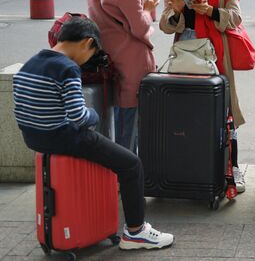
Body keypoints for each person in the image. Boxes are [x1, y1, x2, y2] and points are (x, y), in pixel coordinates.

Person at [12, 18, 174, 250]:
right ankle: (136, 232)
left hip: (33, 138)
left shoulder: (30, 64)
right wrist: (94, 115)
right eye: (93, 52)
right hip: (64, 137)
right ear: (87, 43)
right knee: (131, 164)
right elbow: (79, 116)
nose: (89, 59)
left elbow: (19, 108)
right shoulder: (67, 68)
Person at [159, 0, 247, 193]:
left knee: (225, 112)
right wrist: (176, 11)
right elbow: (165, 26)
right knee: (188, 113)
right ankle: (191, 166)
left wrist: (209, 11)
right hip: (185, 56)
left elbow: (236, 17)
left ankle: (234, 168)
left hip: (216, 55)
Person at [84, 0, 158, 153]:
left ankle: (116, 172)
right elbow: (139, 28)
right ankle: (125, 174)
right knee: (129, 119)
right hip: (130, 57)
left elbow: (106, 8)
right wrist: (147, 8)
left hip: (106, 53)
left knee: (114, 116)